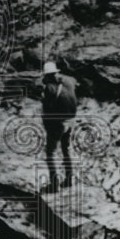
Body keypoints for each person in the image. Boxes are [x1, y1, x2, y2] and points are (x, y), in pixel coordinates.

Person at [39, 61, 77, 190]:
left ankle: (54, 184)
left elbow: (48, 108)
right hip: (71, 121)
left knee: (50, 152)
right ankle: (69, 180)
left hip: (58, 124)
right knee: (66, 150)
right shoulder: (69, 82)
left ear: (47, 75)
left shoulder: (49, 88)